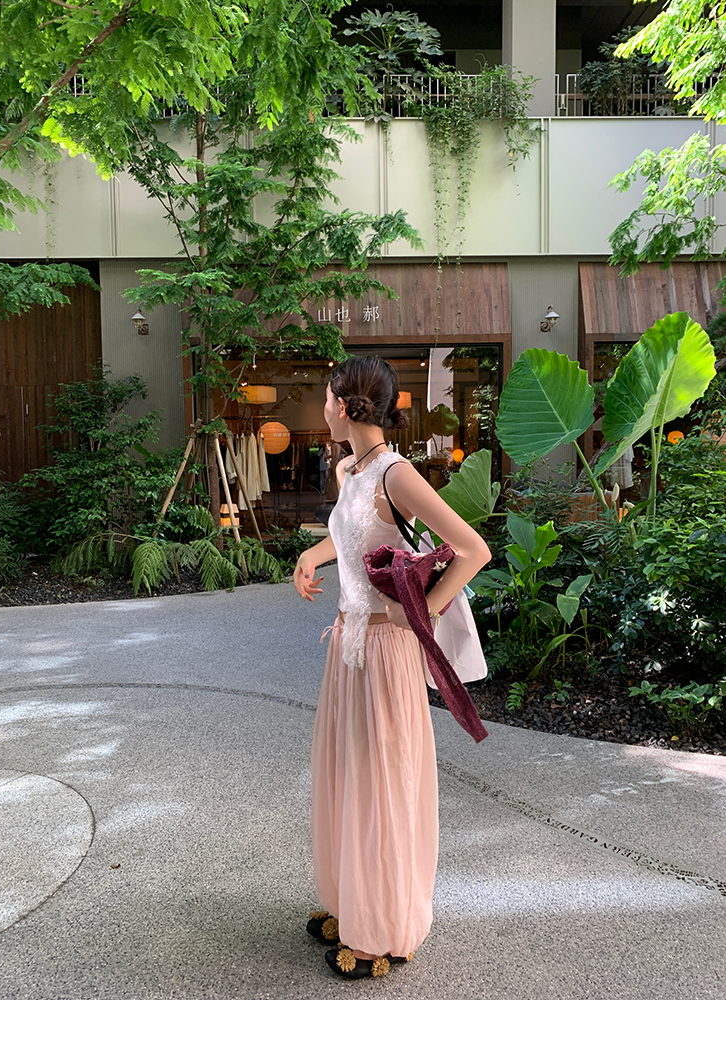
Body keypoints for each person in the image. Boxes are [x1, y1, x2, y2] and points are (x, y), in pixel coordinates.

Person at [293, 356, 491, 980]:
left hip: (385, 651)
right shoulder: (349, 469)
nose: (322, 406)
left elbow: (473, 550)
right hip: (348, 645)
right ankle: (353, 903)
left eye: (327, 397)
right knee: (349, 775)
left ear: (346, 406)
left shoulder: (395, 474)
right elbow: (356, 538)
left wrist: (423, 611)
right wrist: (313, 554)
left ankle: (383, 930)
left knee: (382, 781)